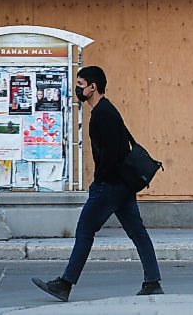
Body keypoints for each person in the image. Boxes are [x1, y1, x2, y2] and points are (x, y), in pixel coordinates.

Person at [32, 66, 164, 302]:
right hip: (122, 186)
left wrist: (99, 182)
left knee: (84, 231)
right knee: (138, 233)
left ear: (93, 87)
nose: (78, 89)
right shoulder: (107, 110)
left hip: (110, 186)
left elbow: (112, 155)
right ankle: (152, 282)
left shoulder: (102, 114)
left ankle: (64, 284)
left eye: (81, 84)